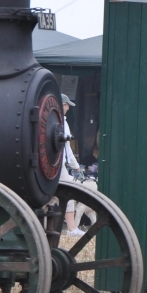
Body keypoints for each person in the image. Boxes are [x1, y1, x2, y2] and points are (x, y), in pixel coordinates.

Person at [60, 93, 83, 236]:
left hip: (54, 165)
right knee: (69, 191)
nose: (68, 108)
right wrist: (76, 166)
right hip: (58, 166)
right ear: (62, 105)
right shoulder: (62, 122)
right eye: (67, 105)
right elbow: (66, 147)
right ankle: (71, 228)